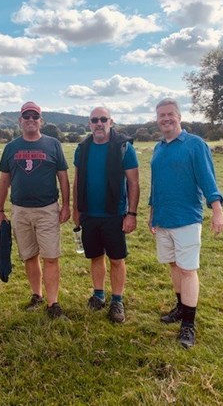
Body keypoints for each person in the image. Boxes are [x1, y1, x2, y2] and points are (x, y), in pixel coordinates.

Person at [148, 98, 223, 348]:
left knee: (187, 269)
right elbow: (156, 183)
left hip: (187, 219)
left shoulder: (195, 144)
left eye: (170, 114)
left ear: (179, 117)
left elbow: (207, 178)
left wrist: (217, 210)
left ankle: (188, 325)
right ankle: (181, 308)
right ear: (157, 119)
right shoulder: (159, 147)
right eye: (161, 115)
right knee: (173, 265)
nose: (166, 119)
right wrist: (152, 212)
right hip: (163, 218)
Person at [0, 101, 70, 319]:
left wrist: (66, 205)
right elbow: (4, 180)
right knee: (29, 255)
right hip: (20, 210)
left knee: (51, 256)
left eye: (34, 117)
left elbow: (63, 177)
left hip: (47, 209)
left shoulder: (53, 144)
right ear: (20, 121)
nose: (30, 120)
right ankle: (36, 295)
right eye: (26, 117)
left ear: (41, 121)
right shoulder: (11, 148)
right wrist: (0, 210)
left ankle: (53, 303)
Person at [73, 107, 139, 323]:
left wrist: (131, 214)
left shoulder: (123, 147)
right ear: (89, 123)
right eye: (94, 120)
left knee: (117, 259)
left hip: (115, 214)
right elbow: (77, 180)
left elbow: (133, 182)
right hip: (89, 214)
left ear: (111, 121)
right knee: (95, 256)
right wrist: (76, 209)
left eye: (103, 119)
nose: (99, 123)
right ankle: (99, 294)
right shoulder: (82, 149)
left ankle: (117, 300)